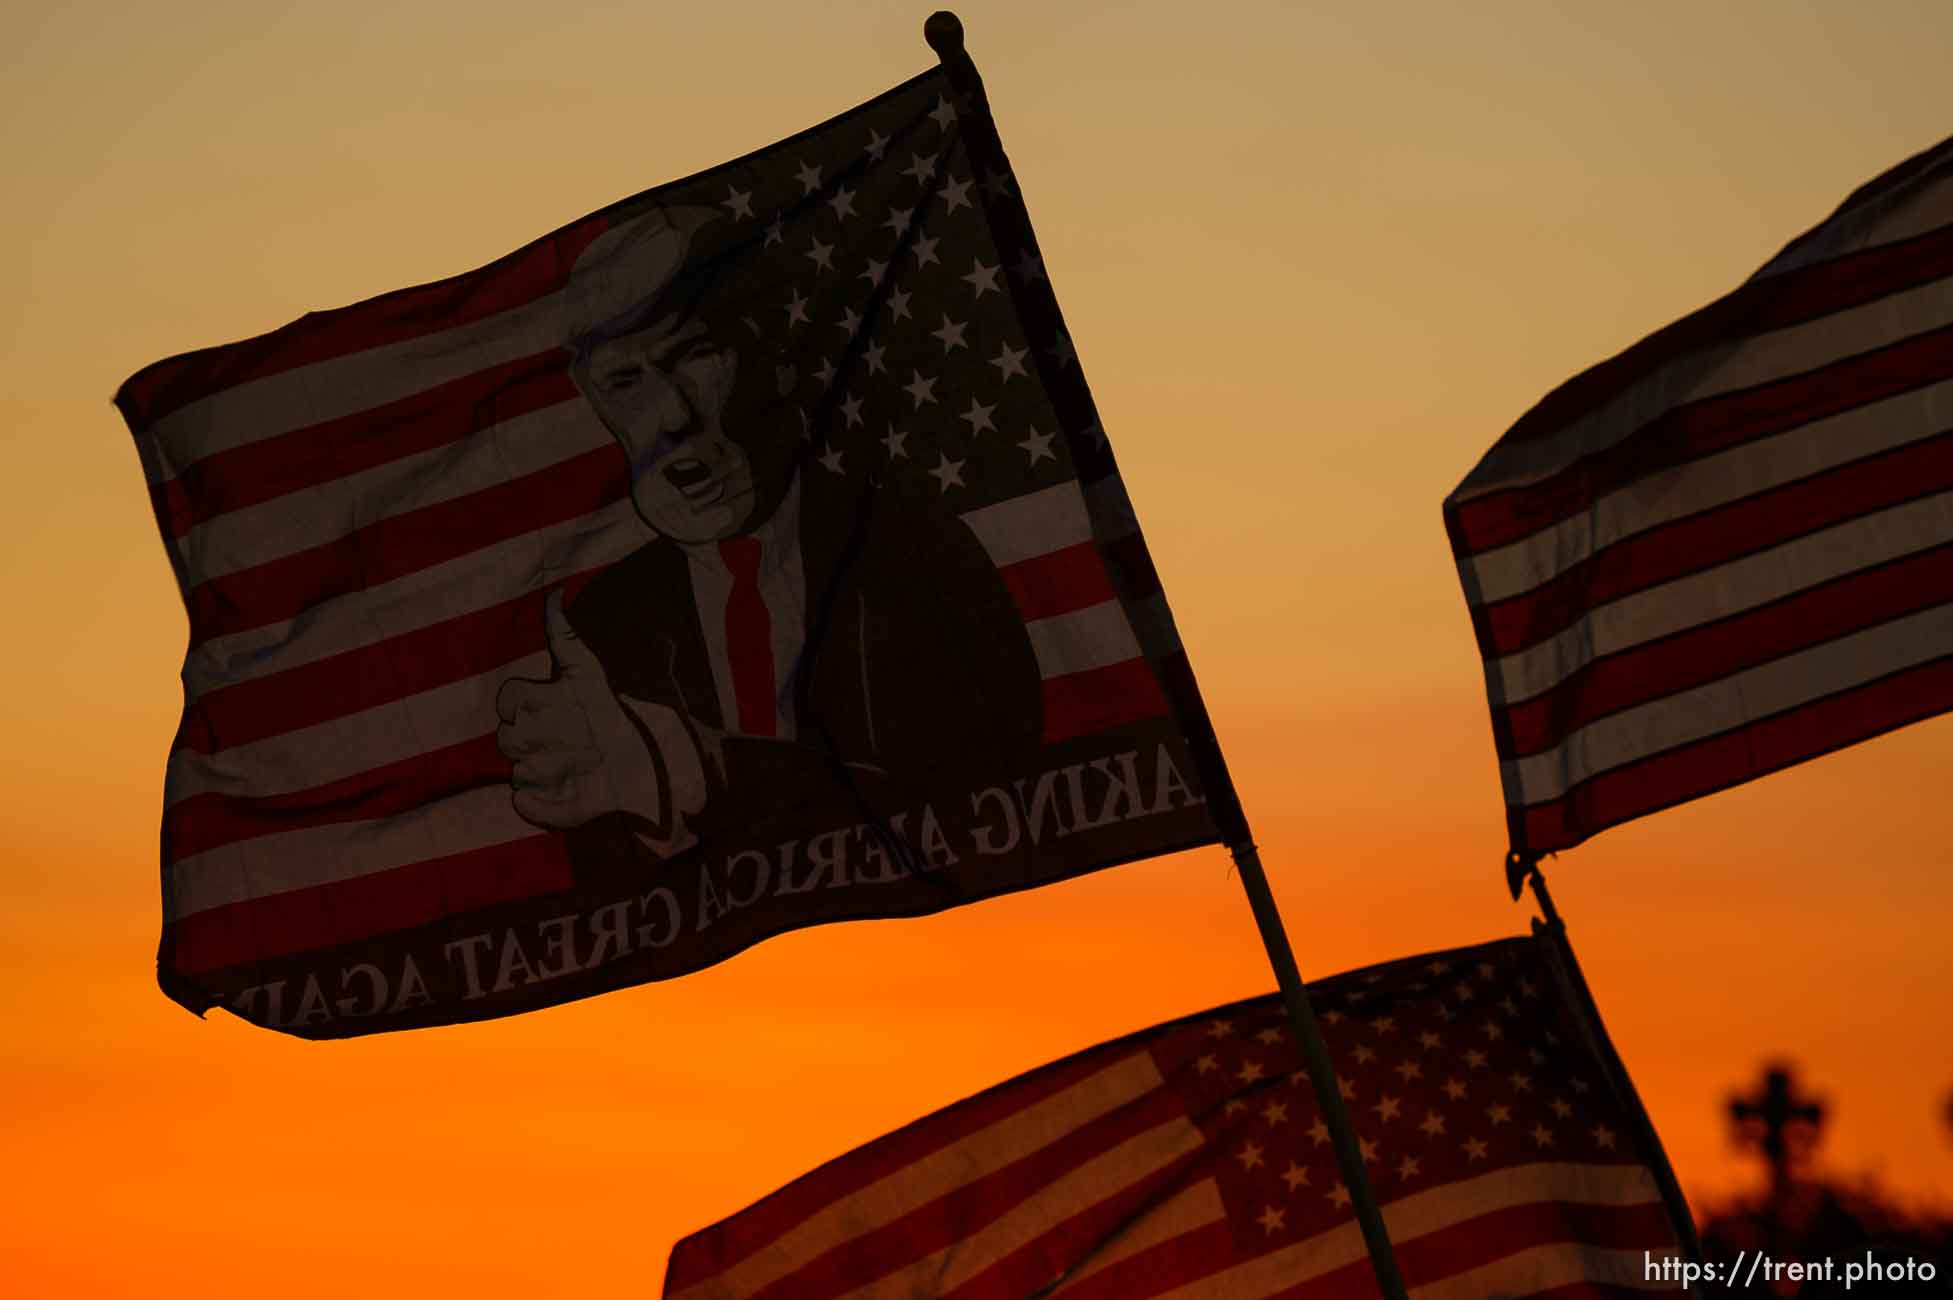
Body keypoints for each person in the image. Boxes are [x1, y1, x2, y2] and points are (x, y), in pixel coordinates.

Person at [495, 206, 1042, 871]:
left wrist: (703, 770)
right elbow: (614, 891)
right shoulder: (604, 628)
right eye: (624, 380)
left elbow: (989, 808)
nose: (670, 416)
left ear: (774, 354)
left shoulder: (911, 553)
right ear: (591, 396)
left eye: (695, 356)